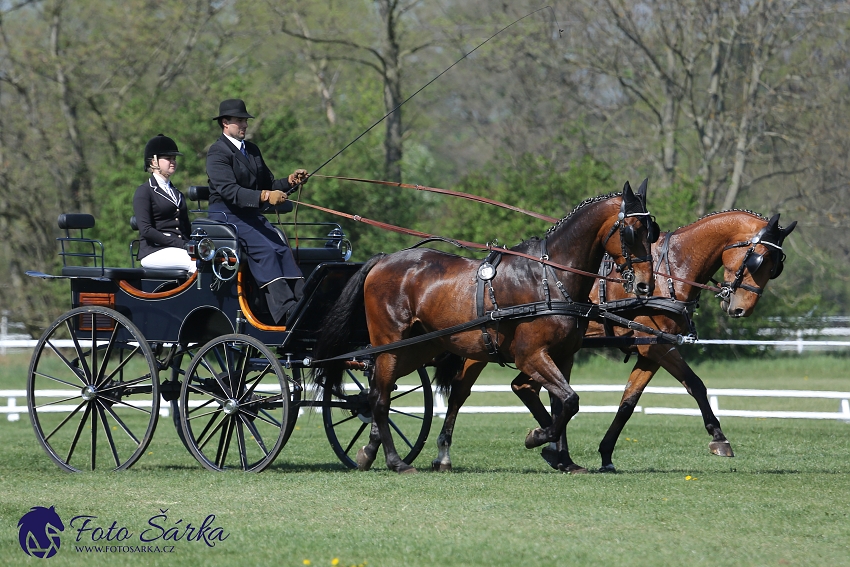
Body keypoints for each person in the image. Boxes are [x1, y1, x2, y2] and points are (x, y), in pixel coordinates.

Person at [206, 98, 309, 324]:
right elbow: (229, 190)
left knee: (282, 247)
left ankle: (303, 301)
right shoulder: (217, 153)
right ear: (225, 123)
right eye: (239, 121)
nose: (244, 125)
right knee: (266, 250)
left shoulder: (251, 150)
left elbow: (269, 183)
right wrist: (264, 196)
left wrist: (291, 181)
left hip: (249, 215)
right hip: (226, 215)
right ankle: (285, 310)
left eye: (245, 120)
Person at [133, 134, 196, 273]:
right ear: (153, 162)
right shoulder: (144, 191)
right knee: (195, 263)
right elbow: (146, 230)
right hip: (154, 251)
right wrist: (181, 244)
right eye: (168, 158)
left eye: (174, 158)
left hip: (178, 250)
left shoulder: (177, 193)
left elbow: (186, 228)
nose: (173, 161)